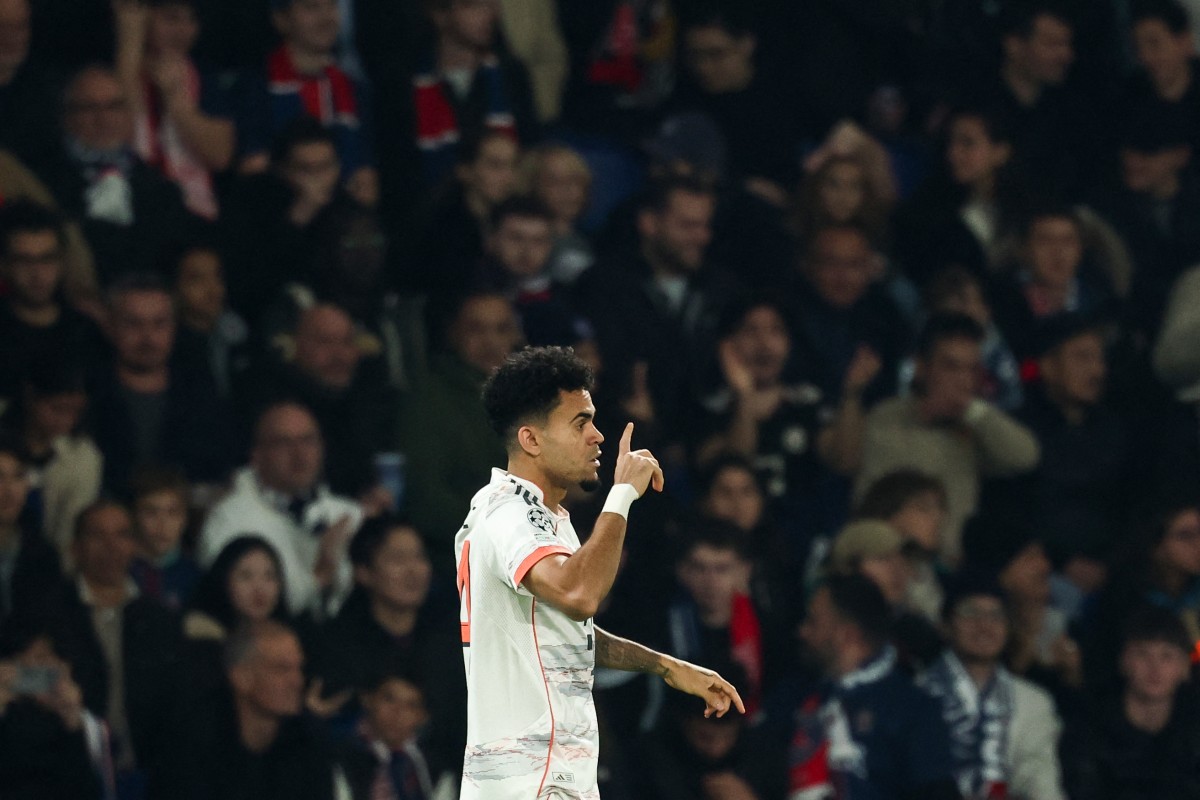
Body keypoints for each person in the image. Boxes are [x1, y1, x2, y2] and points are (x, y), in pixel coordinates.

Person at [456, 345, 744, 798]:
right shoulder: (510, 515)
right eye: (579, 423)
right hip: (531, 785)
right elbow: (579, 596)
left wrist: (666, 667)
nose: (598, 436)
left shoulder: (546, 521)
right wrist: (622, 495)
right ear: (531, 440)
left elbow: (571, 631)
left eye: (592, 419)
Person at [853, 313, 1040, 565]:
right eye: (951, 367)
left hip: (953, 569)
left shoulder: (975, 427)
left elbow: (1026, 457)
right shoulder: (886, 418)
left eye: (972, 369)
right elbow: (870, 504)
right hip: (890, 561)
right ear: (921, 368)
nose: (963, 380)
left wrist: (972, 411)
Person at [761, 574, 958, 800]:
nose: (802, 631)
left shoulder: (912, 710)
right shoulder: (792, 697)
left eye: (812, 622)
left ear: (847, 635)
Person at [312, 516, 464, 778]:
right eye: (397, 559)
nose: (413, 570)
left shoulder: (450, 641)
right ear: (363, 572)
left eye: (419, 557)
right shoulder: (338, 645)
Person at [52, 499, 181, 795]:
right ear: (75, 547)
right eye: (97, 535)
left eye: (121, 535)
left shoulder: (159, 619)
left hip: (148, 776)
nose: (111, 546)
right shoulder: (50, 615)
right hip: (69, 777)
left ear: (134, 545)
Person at [198, 401, 362, 617]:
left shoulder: (347, 513)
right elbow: (233, 608)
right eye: (283, 443)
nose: (300, 454)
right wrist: (319, 576)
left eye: (308, 440)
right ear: (256, 456)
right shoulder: (230, 520)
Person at [919, 576, 1067, 800]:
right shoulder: (914, 694)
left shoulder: (1034, 702)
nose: (985, 626)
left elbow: (1042, 781)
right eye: (970, 613)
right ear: (945, 625)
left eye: (996, 616)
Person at [87, 272, 235, 494]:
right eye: (133, 324)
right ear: (110, 326)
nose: (148, 337)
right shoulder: (89, 394)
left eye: (159, 324)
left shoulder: (200, 393)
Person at [159, 619, 337, 800]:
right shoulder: (193, 739)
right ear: (241, 678)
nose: (297, 681)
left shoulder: (309, 737)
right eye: (281, 669)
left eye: (299, 668)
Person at [397, 291, 519, 547]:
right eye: (476, 329)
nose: (491, 341)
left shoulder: (533, 394)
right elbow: (427, 499)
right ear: (453, 333)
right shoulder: (429, 399)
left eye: (502, 329)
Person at [236, 0, 377, 208]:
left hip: (340, 222)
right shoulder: (256, 87)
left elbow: (366, 178)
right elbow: (253, 169)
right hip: (279, 222)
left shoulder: (355, 90)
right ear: (281, 20)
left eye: (332, 6)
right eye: (311, 7)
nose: (327, 18)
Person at [113, 0, 235, 219]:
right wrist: (130, 47)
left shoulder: (204, 77)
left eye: (191, 21)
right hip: (131, 204)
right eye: (171, 18)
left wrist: (176, 101)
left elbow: (220, 156)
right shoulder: (112, 73)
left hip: (191, 209)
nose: (183, 31)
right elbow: (120, 133)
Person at [1061, 607, 1200, 799]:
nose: (1155, 668)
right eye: (1143, 654)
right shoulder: (1090, 724)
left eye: (1167, 656)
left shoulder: (1193, 727)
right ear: (1124, 661)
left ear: (1185, 668)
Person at [0, 359, 101, 566]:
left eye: (75, 412)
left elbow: (69, 534)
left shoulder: (83, 458)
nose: (66, 421)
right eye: (56, 409)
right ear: (30, 396)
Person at [0, 200, 103, 402]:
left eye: (47, 259)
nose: (37, 273)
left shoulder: (86, 333)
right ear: (4, 265)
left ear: (62, 261)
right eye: (24, 261)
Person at [333, 670, 448, 800]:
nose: (397, 712)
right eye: (389, 699)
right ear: (368, 699)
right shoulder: (340, 756)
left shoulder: (435, 767)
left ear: (423, 717)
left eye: (410, 705)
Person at [127, 465, 199, 611]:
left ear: (184, 519)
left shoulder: (195, 578)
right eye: (151, 512)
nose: (162, 525)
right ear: (133, 516)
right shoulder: (120, 570)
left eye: (172, 513)